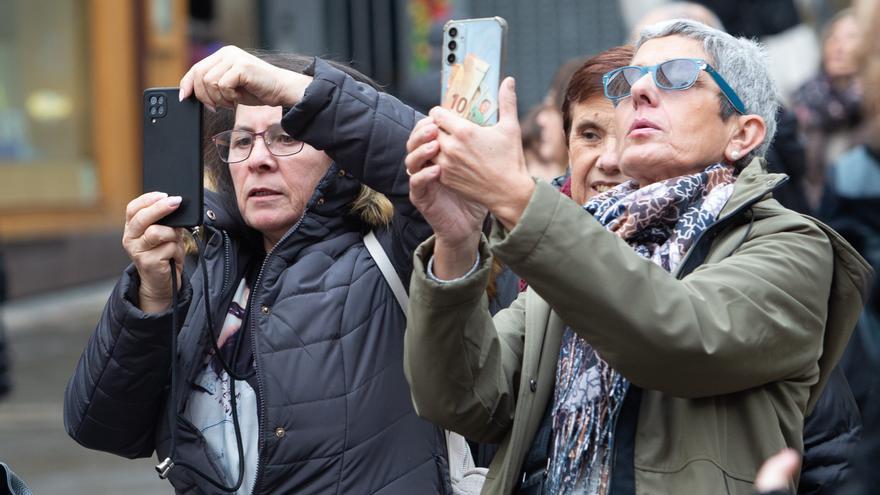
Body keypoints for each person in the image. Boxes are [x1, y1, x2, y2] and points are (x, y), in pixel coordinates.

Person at [403, 19, 871, 494]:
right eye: (630, 81)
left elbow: (679, 337)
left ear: (742, 134)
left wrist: (515, 198)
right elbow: (462, 399)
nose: (641, 91)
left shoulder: (790, 243)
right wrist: (457, 243)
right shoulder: (587, 240)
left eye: (677, 76)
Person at [64, 47, 447, 494]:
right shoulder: (205, 263)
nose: (259, 159)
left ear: (342, 154)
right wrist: (152, 296)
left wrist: (296, 90)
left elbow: (442, 171)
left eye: (287, 136)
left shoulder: (394, 248)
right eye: (243, 141)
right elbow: (101, 426)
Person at [792, 9, 865, 204]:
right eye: (833, 36)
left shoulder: (872, 106)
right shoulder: (805, 99)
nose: (838, 46)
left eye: (851, 37)